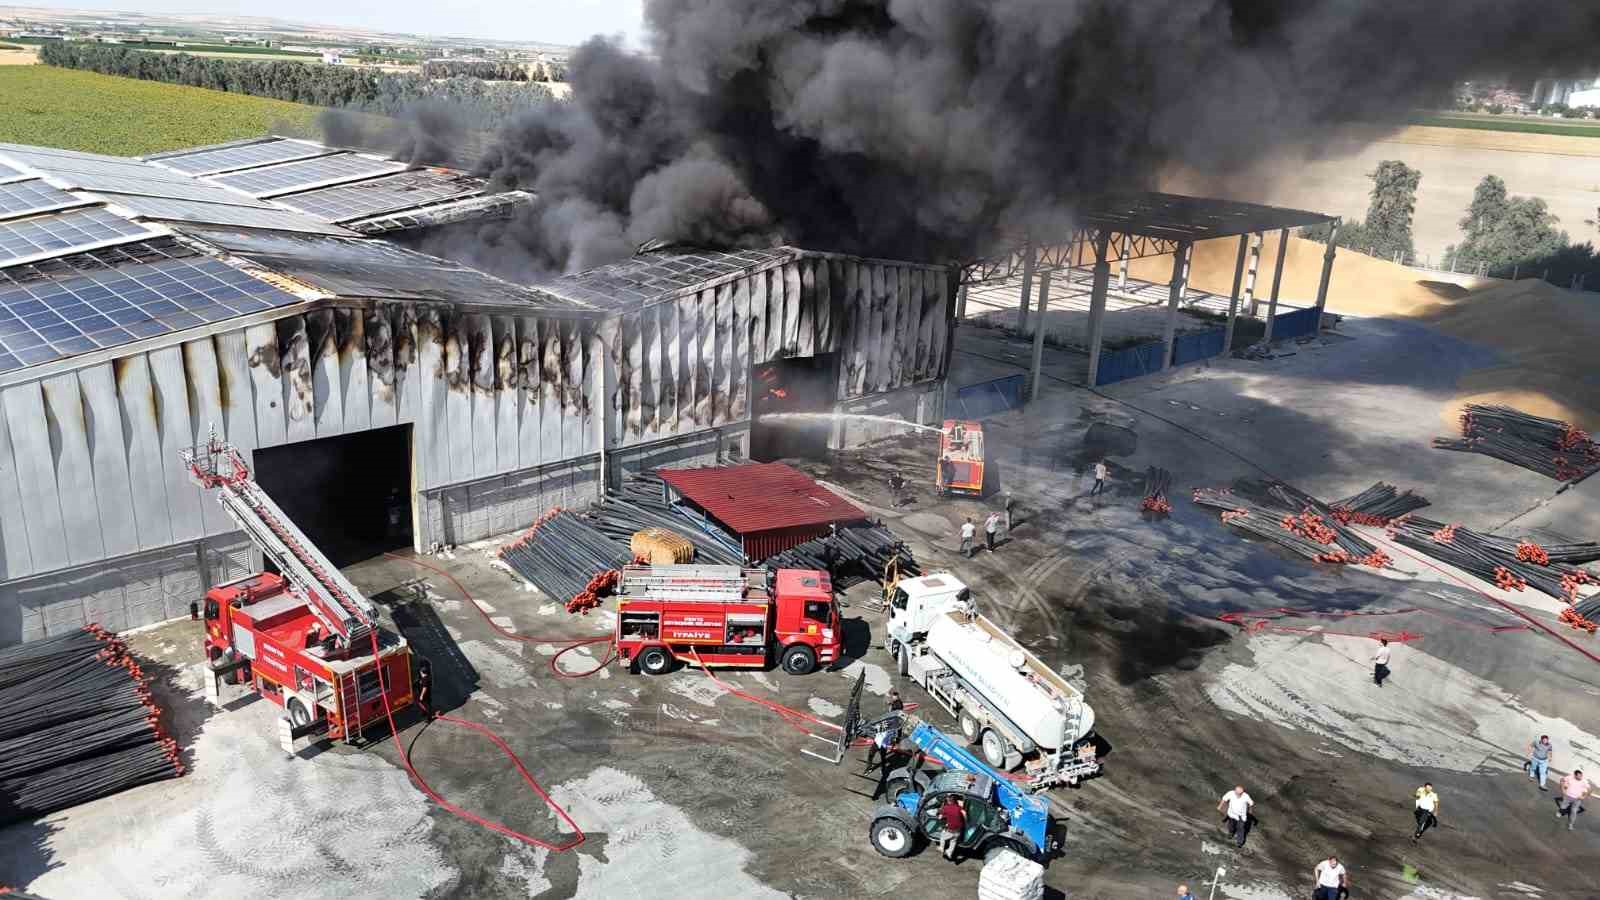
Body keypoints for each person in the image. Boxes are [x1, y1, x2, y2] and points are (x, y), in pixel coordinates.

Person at [938, 794, 966, 860]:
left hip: (951, 831)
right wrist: (965, 820)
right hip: (959, 831)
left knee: (942, 836)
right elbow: (964, 813)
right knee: (953, 841)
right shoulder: (959, 807)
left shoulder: (946, 808)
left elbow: (940, 817)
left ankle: (941, 848)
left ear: (949, 801)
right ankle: (949, 852)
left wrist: (941, 814)